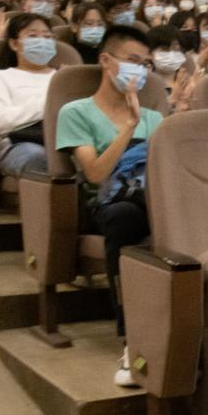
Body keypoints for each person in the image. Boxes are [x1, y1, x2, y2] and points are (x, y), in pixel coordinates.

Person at [56, 25, 164, 385]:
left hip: (151, 200)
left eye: (146, 64)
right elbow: (95, 174)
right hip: (103, 205)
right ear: (106, 60)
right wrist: (129, 126)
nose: (140, 71)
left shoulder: (156, 119)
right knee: (124, 216)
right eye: (133, 60)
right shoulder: (76, 112)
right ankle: (132, 342)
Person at [0, 13, 58, 177]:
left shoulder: (62, 77)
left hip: (64, 143)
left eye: (47, 36)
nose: (42, 41)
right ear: (14, 44)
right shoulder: (0, 78)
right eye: (33, 36)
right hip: (19, 145)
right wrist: (50, 102)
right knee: (35, 156)